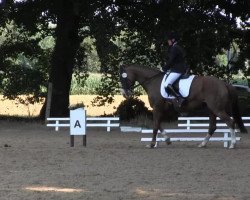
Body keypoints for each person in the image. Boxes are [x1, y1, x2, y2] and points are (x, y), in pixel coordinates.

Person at [162, 31, 187, 107]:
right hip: (178, 69)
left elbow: (171, 60)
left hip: (177, 70)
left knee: (166, 84)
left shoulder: (175, 48)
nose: (168, 42)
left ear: (173, 40)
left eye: (169, 40)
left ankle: (179, 98)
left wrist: (165, 68)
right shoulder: (177, 47)